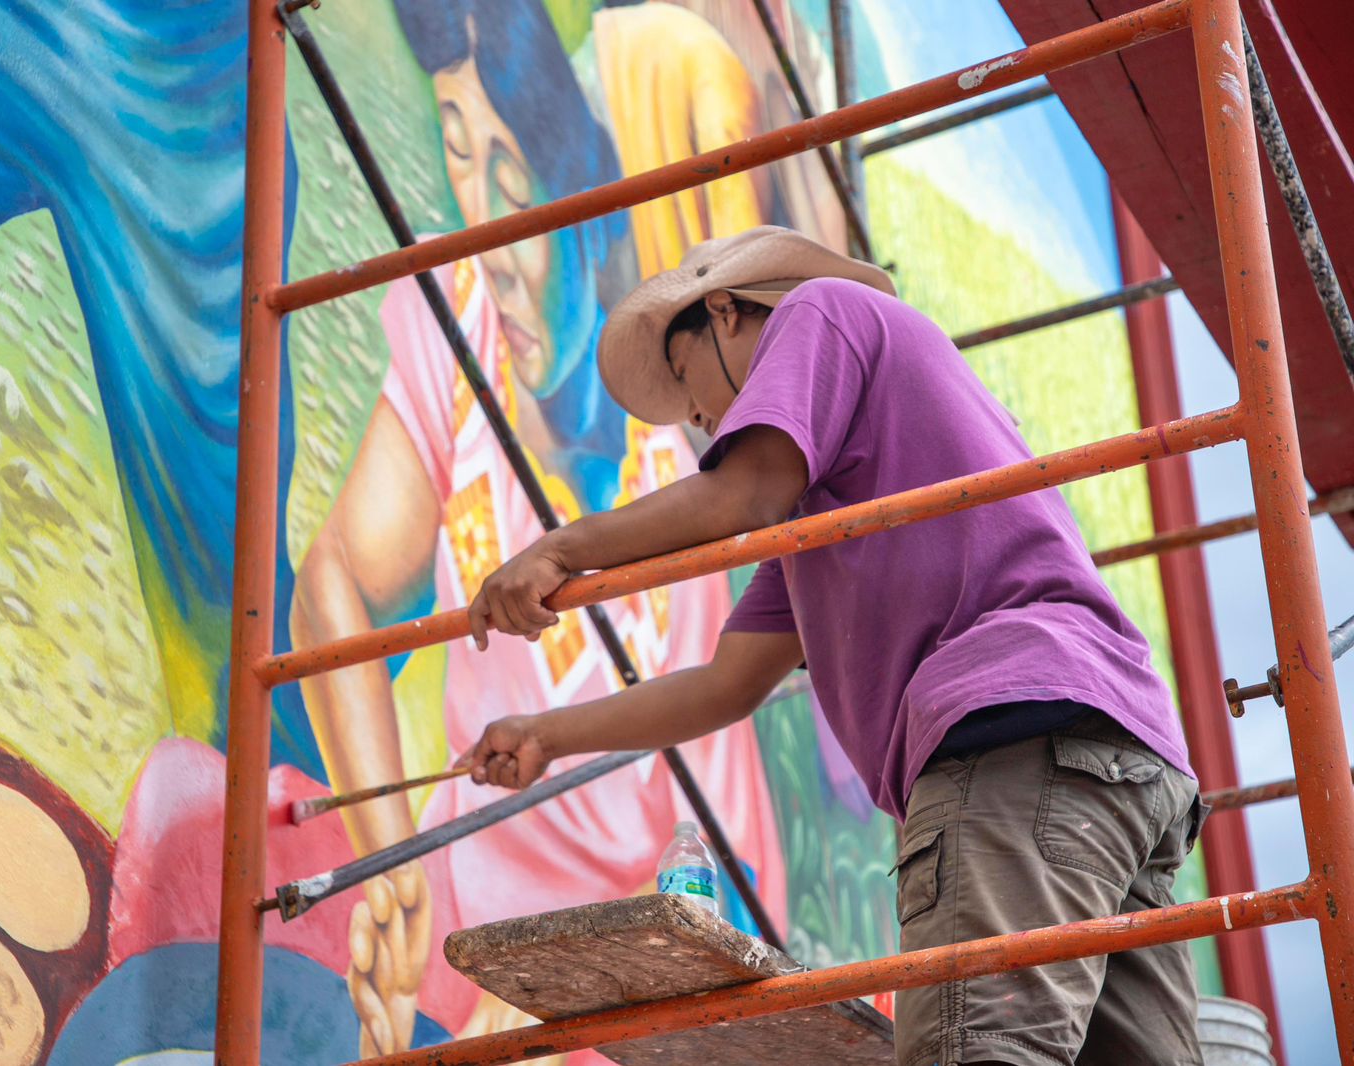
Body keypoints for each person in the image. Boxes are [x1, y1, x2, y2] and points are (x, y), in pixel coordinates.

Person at [459, 225, 1208, 1066]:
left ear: (728, 310)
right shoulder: (824, 504)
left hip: (1013, 739)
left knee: (979, 1054)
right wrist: (547, 735)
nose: (697, 419)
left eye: (684, 376)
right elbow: (727, 684)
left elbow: (741, 489)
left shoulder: (819, 312)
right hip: (1120, 764)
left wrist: (559, 550)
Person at [289, 2, 784, 1055]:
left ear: (583, 200)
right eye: (457, 159)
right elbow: (336, 574)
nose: (494, 238)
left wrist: (584, 981)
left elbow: (714, 759)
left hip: (664, 928)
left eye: (513, 186)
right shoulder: (459, 315)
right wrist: (394, 866)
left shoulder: (705, 398)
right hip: (466, 934)